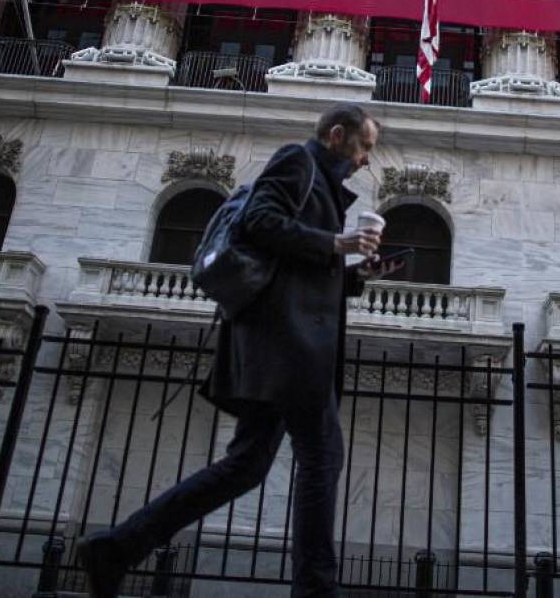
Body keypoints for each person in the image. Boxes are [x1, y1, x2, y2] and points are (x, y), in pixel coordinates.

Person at [79, 104, 394, 598]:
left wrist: (356, 275)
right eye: (365, 147)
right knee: (322, 459)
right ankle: (316, 590)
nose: (365, 161)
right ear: (337, 135)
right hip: (286, 345)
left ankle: (118, 547)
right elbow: (259, 223)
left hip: (284, 344)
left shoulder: (323, 185)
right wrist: (337, 243)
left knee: (246, 467)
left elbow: (296, 270)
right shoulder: (297, 160)